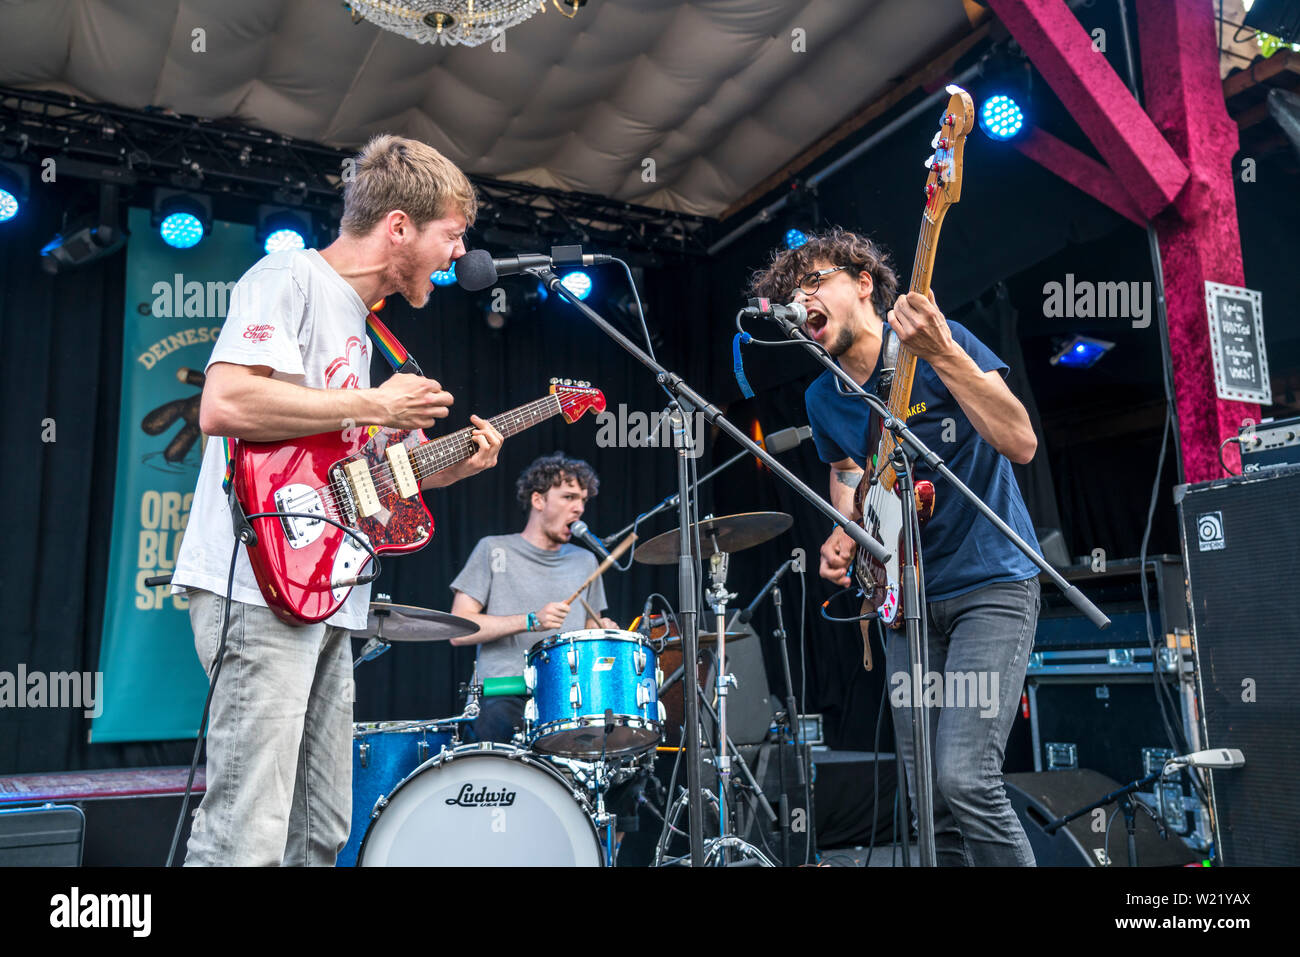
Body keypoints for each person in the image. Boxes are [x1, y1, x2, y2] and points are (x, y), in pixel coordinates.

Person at [172, 134, 504, 866]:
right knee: (245, 833)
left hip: (327, 591)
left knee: (318, 830)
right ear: (398, 227)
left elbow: (348, 476)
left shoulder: (365, 324)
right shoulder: (288, 275)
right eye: (452, 235)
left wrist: (444, 468)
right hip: (258, 584)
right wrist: (376, 406)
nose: (458, 255)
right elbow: (224, 403)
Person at [750, 227, 1043, 866]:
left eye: (814, 282)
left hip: (989, 585)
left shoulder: (942, 344)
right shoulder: (822, 397)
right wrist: (841, 528)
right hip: (905, 605)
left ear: (863, 284)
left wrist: (942, 353)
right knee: (929, 803)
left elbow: (1019, 441)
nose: (801, 301)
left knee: (965, 777)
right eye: (790, 295)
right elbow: (851, 473)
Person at [449, 453, 616, 744]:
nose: (578, 508)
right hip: (504, 692)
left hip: (569, 698)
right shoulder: (493, 549)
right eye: (568, 497)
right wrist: (530, 620)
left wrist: (603, 630)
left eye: (583, 500)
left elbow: (591, 626)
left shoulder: (586, 560)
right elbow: (458, 629)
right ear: (538, 501)